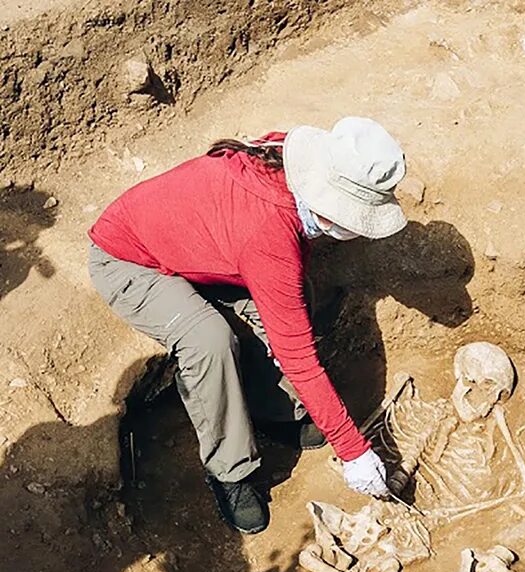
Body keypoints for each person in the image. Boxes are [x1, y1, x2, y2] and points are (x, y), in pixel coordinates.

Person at [88, 117, 408, 534]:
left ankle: (272, 409)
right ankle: (231, 471)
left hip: (197, 250)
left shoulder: (286, 166)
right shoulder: (268, 234)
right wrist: (353, 450)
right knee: (209, 340)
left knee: (293, 296)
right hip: (128, 259)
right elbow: (298, 356)